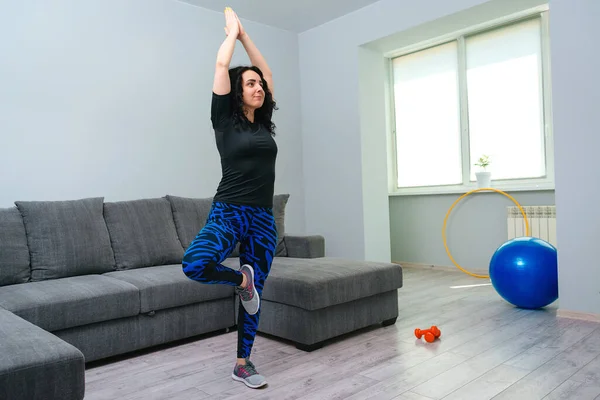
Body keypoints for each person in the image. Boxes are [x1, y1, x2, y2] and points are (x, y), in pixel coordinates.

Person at [181, 6, 278, 390]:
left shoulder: (265, 121)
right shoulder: (224, 119)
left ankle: (243, 363)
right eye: (250, 84)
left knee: (256, 297)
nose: (258, 87)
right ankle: (241, 279)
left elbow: (268, 73)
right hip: (228, 212)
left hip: (263, 218)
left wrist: (248, 38)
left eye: (259, 84)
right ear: (238, 93)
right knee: (195, 263)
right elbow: (222, 66)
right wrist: (231, 35)